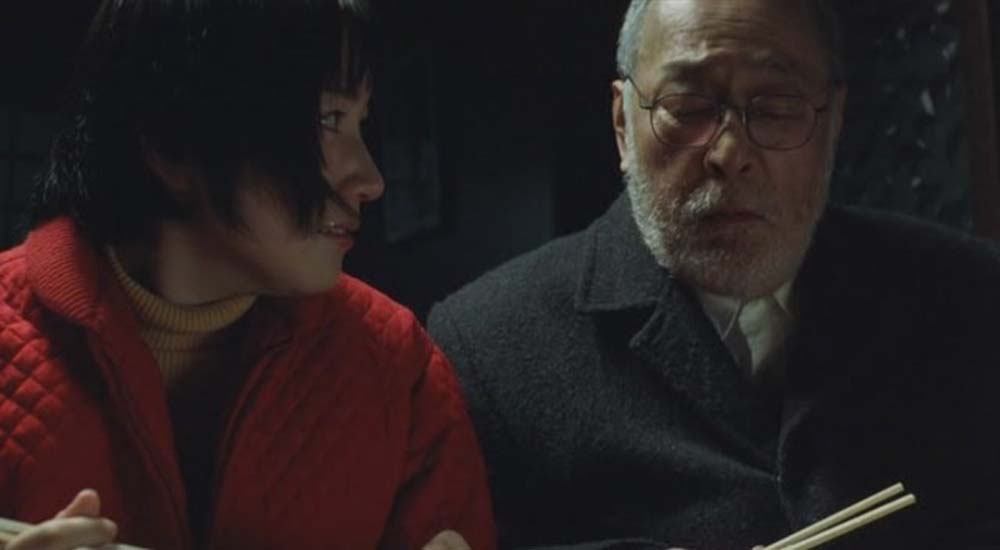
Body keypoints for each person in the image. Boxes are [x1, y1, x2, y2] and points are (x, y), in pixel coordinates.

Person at [427, 0, 1000, 548]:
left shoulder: (970, 300)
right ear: (623, 124)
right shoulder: (488, 349)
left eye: (776, 108)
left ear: (834, 122)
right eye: (688, 107)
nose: (730, 153)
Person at [0, 1, 495, 549]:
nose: (370, 179)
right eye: (327, 120)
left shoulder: (398, 364)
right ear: (172, 144)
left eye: (361, 122)